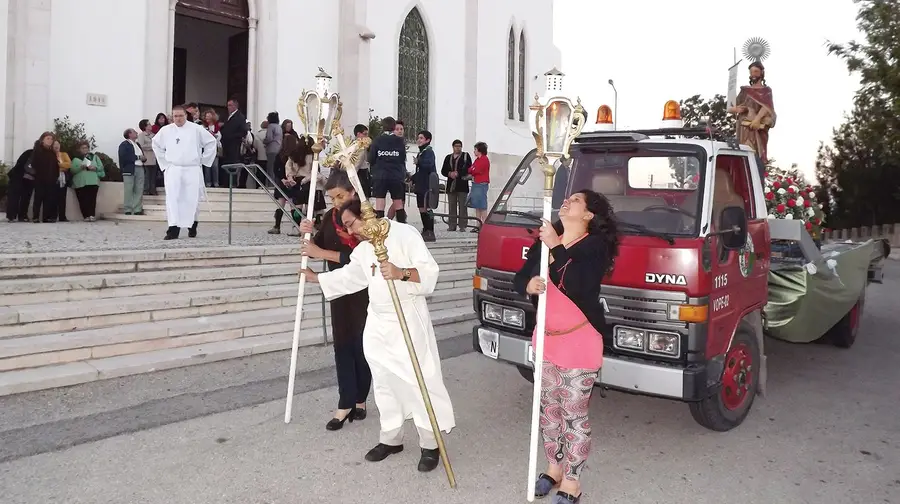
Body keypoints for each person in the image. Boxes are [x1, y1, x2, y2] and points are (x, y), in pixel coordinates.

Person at [302, 199, 455, 473]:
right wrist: (317, 279)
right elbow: (353, 276)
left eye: (351, 224)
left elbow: (430, 272)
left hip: (406, 317)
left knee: (417, 381)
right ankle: (391, 438)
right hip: (378, 321)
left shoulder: (405, 234)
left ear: (366, 215)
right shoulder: (364, 248)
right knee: (384, 382)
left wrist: (401, 273)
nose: (351, 233)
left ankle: (430, 443)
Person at [513, 189, 620, 504]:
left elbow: (575, 283)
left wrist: (555, 246)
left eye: (576, 200)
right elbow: (520, 277)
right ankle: (553, 469)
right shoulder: (548, 240)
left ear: (588, 215)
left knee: (573, 415)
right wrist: (527, 285)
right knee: (549, 412)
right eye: (568, 197)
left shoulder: (593, 247)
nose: (567, 201)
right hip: (547, 339)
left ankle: (572, 483)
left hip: (580, 339)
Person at [297, 170, 372, 431]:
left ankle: (361, 398)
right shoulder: (330, 218)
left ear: (353, 193)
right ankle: (345, 402)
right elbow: (315, 249)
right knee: (342, 345)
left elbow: (362, 259)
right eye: (331, 198)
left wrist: (322, 252)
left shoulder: (366, 219)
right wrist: (306, 233)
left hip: (364, 290)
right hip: (338, 289)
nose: (336, 203)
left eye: (340, 196)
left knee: (363, 345)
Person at [152, 105, 217, 240]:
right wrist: (164, 163)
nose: (178, 119)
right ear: (172, 117)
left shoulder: (196, 129)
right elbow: (156, 144)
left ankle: (192, 224)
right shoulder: (166, 131)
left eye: (181, 116)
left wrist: (203, 160)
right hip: (173, 168)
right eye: (175, 116)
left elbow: (211, 142)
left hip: (192, 168)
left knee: (191, 197)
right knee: (173, 198)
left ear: (186, 116)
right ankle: (173, 228)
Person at [728, 61, 776, 168]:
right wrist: (736, 109)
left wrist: (757, 119)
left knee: (755, 154)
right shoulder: (745, 91)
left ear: (761, 73)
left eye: (756, 71)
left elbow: (767, 107)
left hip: (757, 128)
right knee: (743, 151)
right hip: (743, 127)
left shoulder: (766, 91)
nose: (753, 74)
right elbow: (731, 107)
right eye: (751, 72)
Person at [368, 116, 408, 222]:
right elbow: (402, 158)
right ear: (393, 127)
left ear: (383, 126)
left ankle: (380, 229)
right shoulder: (400, 141)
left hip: (380, 175)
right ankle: (402, 226)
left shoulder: (377, 141)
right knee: (398, 202)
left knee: (380, 202)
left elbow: (371, 158)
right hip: (396, 175)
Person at [440, 139, 472, 232]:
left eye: (459, 146)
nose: (458, 148)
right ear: (453, 147)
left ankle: (462, 225)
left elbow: (468, 167)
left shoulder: (465, 156)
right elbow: (443, 170)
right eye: (456, 146)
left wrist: (459, 173)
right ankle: (452, 225)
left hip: (462, 184)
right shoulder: (448, 157)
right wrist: (450, 174)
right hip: (451, 185)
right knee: (451, 205)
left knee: (462, 206)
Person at [29, 132, 60, 223]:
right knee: (38, 198)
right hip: (40, 178)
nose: (50, 140)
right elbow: (33, 164)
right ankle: (35, 217)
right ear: (42, 140)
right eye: (48, 138)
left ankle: (46, 217)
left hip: (51, 179)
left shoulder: (52, 153)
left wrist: (55, 176)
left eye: (51, 139)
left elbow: (56, 166)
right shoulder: (38, 151)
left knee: (48, 199)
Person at [412, 130, 437, 242]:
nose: (418, 140)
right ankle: (425, 229)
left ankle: (430, 230)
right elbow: (420, 170)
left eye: (421, 138)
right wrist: (412, 178)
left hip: (427, 185)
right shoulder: (421, 152)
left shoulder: (429, 152)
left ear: (428, 140)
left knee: (427, 207)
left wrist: (419, 162)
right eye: (418, 138)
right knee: (421, 207)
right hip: (420, 184)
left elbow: (428, 165)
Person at [70, 141, 105, 221]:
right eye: (83, 148)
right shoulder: (76, 159)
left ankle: (92, 215)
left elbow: (101, 167)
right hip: (80, 182)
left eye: (86, 148)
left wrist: (95, 168)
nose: (85, 149)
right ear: (79, 149)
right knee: (82, 199)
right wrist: (80, 167)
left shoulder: (94, 157)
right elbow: (72, 170)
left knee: (92, 199)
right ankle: (85, 216)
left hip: (93, 181)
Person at [119, 128, 145, 216]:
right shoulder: (124, 144)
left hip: (140, 167)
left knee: (139, 189)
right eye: (134, 132)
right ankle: (128, 209)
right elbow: (124, 157)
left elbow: (141, 155)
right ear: (129, 134)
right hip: (129, 169)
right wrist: (138, 157)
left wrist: (143, 158)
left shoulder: (137, 144)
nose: (136, 133)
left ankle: (137, 209)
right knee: (129, 189)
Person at [5, 148, 33, 223]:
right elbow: (24, 166)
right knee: (14, 197)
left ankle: (22, 216)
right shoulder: (30, 153)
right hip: (18, 177)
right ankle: (11, 216)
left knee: (26, 198)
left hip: (29, 179)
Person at [468, 141, 491, 232]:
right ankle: (477, 224)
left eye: (475, 150)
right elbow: (471, 169)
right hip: (476, 183)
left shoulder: (484, 159)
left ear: (479, 150)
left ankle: (484, 224)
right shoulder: (477, 160)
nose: (474, 151)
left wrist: (473, 169)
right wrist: (472, 169)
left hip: (481, 184)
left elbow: (476, 170)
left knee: (482, 205)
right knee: (477, 205)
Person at [220, 98, 248, 168]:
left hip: (233, 145)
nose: (228, 107)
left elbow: (243, 131)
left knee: (232, 165)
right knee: (226, 165)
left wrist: (231, 136)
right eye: (228, 105)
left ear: (235, 106)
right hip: (226, 145)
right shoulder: (228, 116)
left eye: (230, 105)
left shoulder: (240, 117)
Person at [137, 119, 159, 196]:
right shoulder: (141, 135)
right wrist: (152, 146)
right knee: (147, 175)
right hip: (146, 158)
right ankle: (146, 190)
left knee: (153, 175)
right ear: (145, 126)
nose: (151, 125)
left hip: (154, 158)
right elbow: (141, 146)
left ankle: (152, 190)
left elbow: (158, 145)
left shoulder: (154, 135)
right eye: (149, 124)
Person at [53, 140, 72, 222]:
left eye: (58, 144)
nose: (57, 146)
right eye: (55, 144)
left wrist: (59, 165)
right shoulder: (50, 155)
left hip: (63, 179)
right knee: (53, 197)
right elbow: (52, 166)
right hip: (53, 178)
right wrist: (61, 167)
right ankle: (53, 216)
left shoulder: (64, 154)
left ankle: (62, 216)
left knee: (62, 198)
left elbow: (68, 164)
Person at [353, 124, 372, 199]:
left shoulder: (363, 145)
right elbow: (358, 161)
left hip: (362, 172)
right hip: (358, 173)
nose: (366, 136)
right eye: (365, 134)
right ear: (358, 134)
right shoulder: (358, 145)